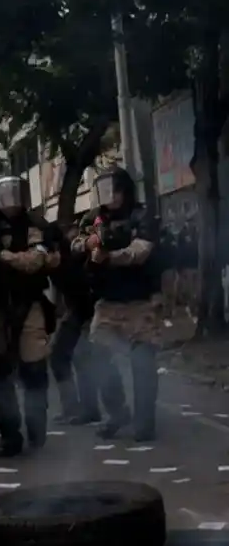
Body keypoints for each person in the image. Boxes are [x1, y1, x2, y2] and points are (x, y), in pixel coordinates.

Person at [79, 165, 161, 442]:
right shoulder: (95, 219)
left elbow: (141, 251)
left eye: (115, 190)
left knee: (142, 362)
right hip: (108, 303)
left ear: (125, 191)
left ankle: (144, 422)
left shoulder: (141, 216)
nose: (110, 196)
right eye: (105, 190)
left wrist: (109, 257)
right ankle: (117, 412)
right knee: (97, 355)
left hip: (139, 302)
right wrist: (86, 245)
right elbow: (77, 242)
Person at [0, 176, 62, 456]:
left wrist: (4, 256)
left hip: (29, 304)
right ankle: (9, 435)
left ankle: (36, 427)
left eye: (14, 194)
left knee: (34, 368)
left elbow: (37, 260)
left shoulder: (36, 225)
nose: (10, 201)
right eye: (4, 195)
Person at [50, 217, 99, 425]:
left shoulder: (72, 254)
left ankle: (89, 409)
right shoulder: (54, 260)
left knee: (81, 356)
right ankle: (71, 407)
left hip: (88, 308)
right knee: (59, 355)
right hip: (76, 309)